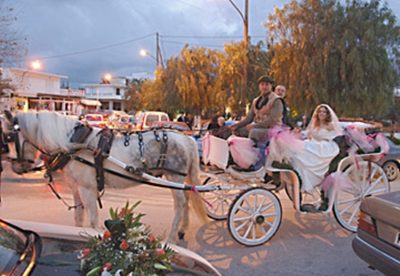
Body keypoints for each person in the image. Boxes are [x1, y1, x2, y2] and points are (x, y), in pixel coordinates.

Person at [231, 75, 284, 170]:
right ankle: (241, 160)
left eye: (267, 84)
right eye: (262, 84)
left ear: (271, 86)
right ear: (259, 86)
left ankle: (257, 165)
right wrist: (236, 126)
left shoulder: (277, 100)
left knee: (254, 132)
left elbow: (273, 119)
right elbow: (248, 118)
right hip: (258, 127)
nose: (264, 87)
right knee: (238, 131)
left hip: (273, 129)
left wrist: (255, 125)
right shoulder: (256, 101)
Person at [289, 104, 343, 193]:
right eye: (320, 111)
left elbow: (338, 133)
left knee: (305, 148)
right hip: (314, 144)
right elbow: (308, 134)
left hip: (325, 147)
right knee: (298, 149)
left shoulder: (331, 125)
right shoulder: (315, 124)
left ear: (327, 114)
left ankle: (313, 178)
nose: (321, 113)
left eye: (324, 112)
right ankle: (300, 177)